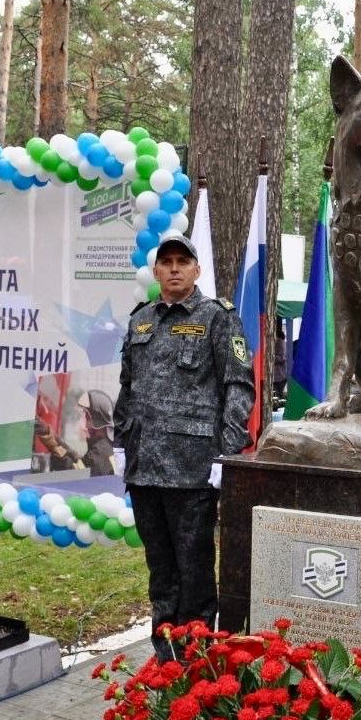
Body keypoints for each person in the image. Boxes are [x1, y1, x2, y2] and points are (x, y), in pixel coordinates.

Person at [112, 235, 255, 660]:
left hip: (193, 469)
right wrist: (121, 442)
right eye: (166, 262)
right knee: (160, 571)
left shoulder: (217, 318)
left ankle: (193, 659)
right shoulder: (141, 320)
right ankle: (164, 653)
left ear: (196, 270)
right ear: (155, 272)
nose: (174, 269)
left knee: (193, 571)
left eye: (183, 262)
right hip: (144, 467)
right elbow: (126, 387)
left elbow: (238, 386)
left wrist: (225, 454)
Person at [77, 389, 116, 477]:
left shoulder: (98, 453)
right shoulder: (107, 447)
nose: (85, 423)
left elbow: (75, 474)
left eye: (87, 418)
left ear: (96, 422)